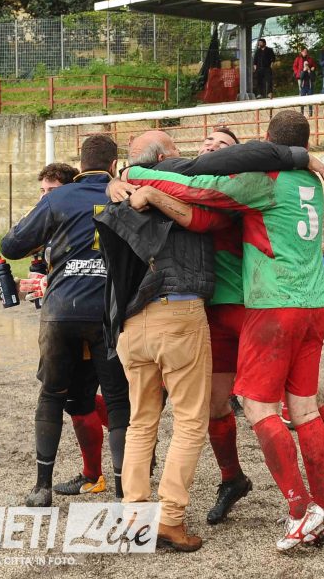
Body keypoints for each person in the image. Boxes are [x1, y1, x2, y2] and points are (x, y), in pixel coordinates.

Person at [122, 112, 324, 551]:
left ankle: (301, 512)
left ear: (268, 143)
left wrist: (135, 175)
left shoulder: (263, 181)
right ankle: (321, 506)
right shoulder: (312, 182)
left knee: (258, 407)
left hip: (274, 304)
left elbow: (197, 189)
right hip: (314, 302)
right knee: (304, 408)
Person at [97, 130, 232, 552]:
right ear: (162, 159)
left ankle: (135, 517)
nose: (183, 154)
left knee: (141, 421)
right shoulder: (183, 184)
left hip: (131, 322)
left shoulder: (119, 195)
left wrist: (115, 180)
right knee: (190, 420)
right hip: (178, 311)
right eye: (175, 149)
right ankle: (171, 520)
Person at [0, 135, 130, 511]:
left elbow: (11, 246)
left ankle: (42, 487)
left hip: (61, 311)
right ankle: (123, 490)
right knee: (117, 401)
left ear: (80, 163)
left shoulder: (57, 199)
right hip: (108, 312)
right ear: (113, 164)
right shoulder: (126, 195)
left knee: (52, 395)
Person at [292, 47, 317, 114]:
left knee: (310, 92)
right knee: (301, 91)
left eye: (306, 51)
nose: (305, 52)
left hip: (309, 77)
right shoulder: (298, 58)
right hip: (300, 77)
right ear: (301, 52)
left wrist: (312, 68)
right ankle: (302, 109)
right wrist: (298, 73)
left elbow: (314, 65)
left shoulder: (310, 58)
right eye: (304, 51)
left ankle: (310, 110)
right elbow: (294, 67)